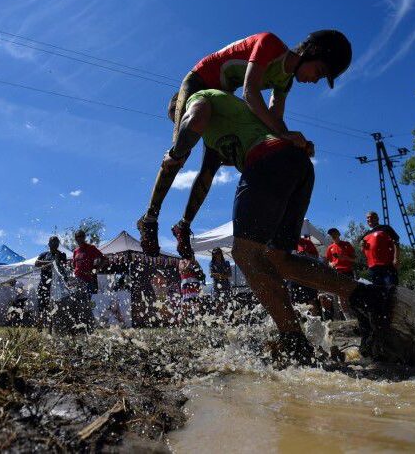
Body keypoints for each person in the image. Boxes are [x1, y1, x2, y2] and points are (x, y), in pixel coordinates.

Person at [151, 87, 392, 364]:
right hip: (295, 164)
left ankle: (294, 342)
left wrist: (176, 152)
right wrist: (185, 222)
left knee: (245, 254)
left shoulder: (199, 100)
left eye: (177, 120)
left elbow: (194, 118)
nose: (181, 127)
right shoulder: (214, 136)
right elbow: (204, 180)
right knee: (279, 259)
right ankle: (368, 297)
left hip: (267, 161)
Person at [137, 30, 353, 257]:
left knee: (211, 166)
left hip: (219, 96)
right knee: (181, 152)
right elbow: (250, 93)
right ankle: (150, 217)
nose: (314, 80)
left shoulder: (285, 81)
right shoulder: (270, 43)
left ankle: (184, 225)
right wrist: (285, 134)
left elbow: (275, 120)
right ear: (310, 52)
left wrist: (293, 140)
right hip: (198, 82)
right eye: (318, 71)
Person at [35, 236, 68, 330]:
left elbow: (63, 267)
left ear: (58, 244)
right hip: (44, 284)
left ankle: (50, 329)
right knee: (41, 307)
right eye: (52, 242)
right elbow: (36, 263)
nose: (54, 244)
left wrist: (55, 261)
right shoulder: (44, 254)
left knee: (53, 307)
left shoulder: (62, 254)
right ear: (49, 244)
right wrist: (48, 262)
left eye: (56, 243)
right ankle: (39, 329)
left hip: (56, 286)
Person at [361, 211, 400, 287]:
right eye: (367, 218)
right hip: (373, 267)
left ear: (377, 218)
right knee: (378, 291)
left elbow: (396, 242)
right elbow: (363, 250)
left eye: (371, 217)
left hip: (387, 265)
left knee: (391, 288)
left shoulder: (385, 228)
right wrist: (362, 246)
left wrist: (396, 258)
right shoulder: (365, 235)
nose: (369, 219)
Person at [178, 257, 203, 323]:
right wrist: (189, 262)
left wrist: (196, 265)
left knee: (197, 306)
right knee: (186, 307)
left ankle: (197, 323)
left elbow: (200, 271)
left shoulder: (195, 261)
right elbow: (183, 271)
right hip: (187, 286)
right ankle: (181, 324)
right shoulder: (182, 261)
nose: (192, 256)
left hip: (195, 285)